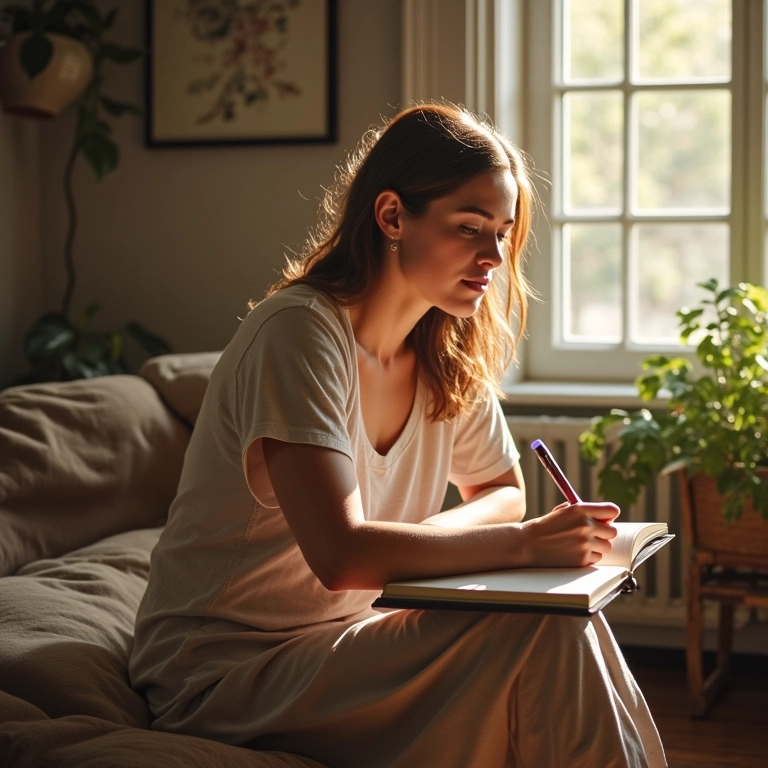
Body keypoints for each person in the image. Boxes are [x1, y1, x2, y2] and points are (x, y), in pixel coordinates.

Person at [129, 103, 667, 767]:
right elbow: (343, 556)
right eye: (470, 228)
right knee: (541, 634)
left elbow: (502, 489)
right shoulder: (298, 333)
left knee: (558, 626)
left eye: (502, 232)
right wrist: (518, 547)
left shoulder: (445, 348)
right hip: (222, 669)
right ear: (391, 216)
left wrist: (422, 546)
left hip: (350, 633)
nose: (494, 257)